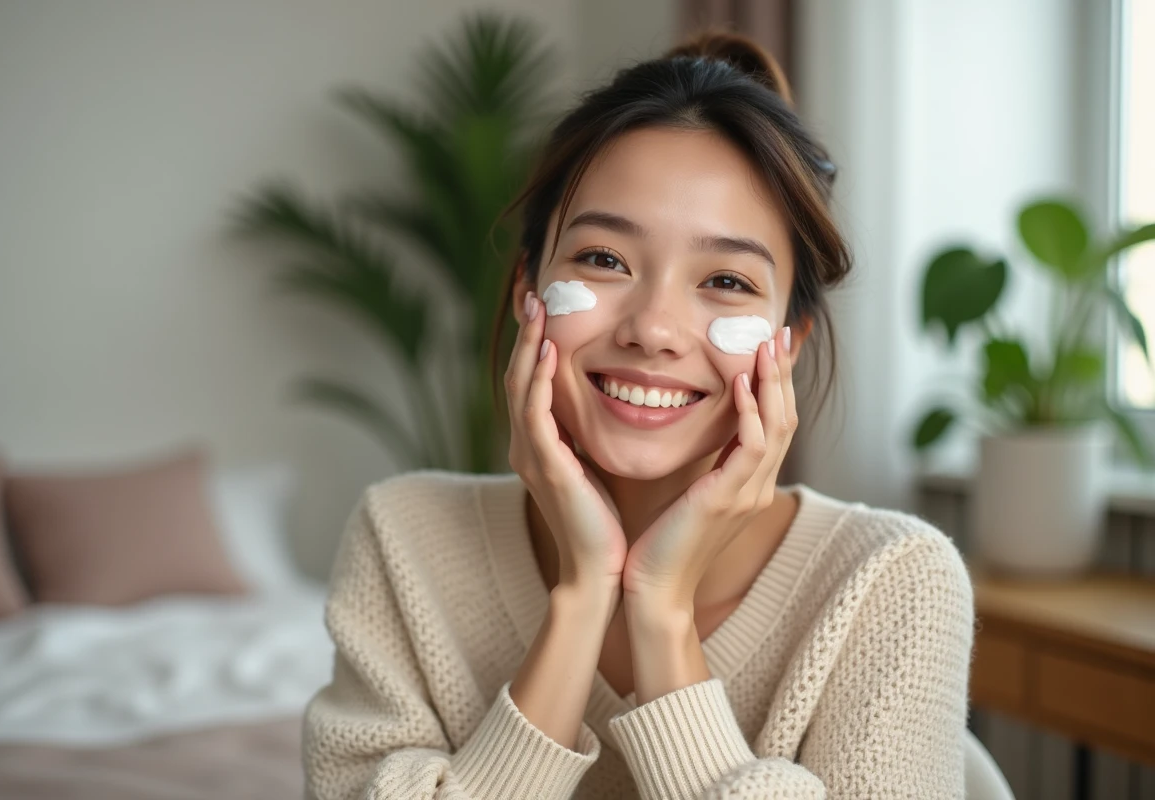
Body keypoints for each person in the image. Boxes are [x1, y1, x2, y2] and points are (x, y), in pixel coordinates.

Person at [302, 29, 975, 800]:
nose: (653, 329)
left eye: (726, 281)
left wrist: (661, 613)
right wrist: (582, 598)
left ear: (789, 343)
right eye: (604, 260)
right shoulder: (403, 539)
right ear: (527, 290)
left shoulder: (891, 584)